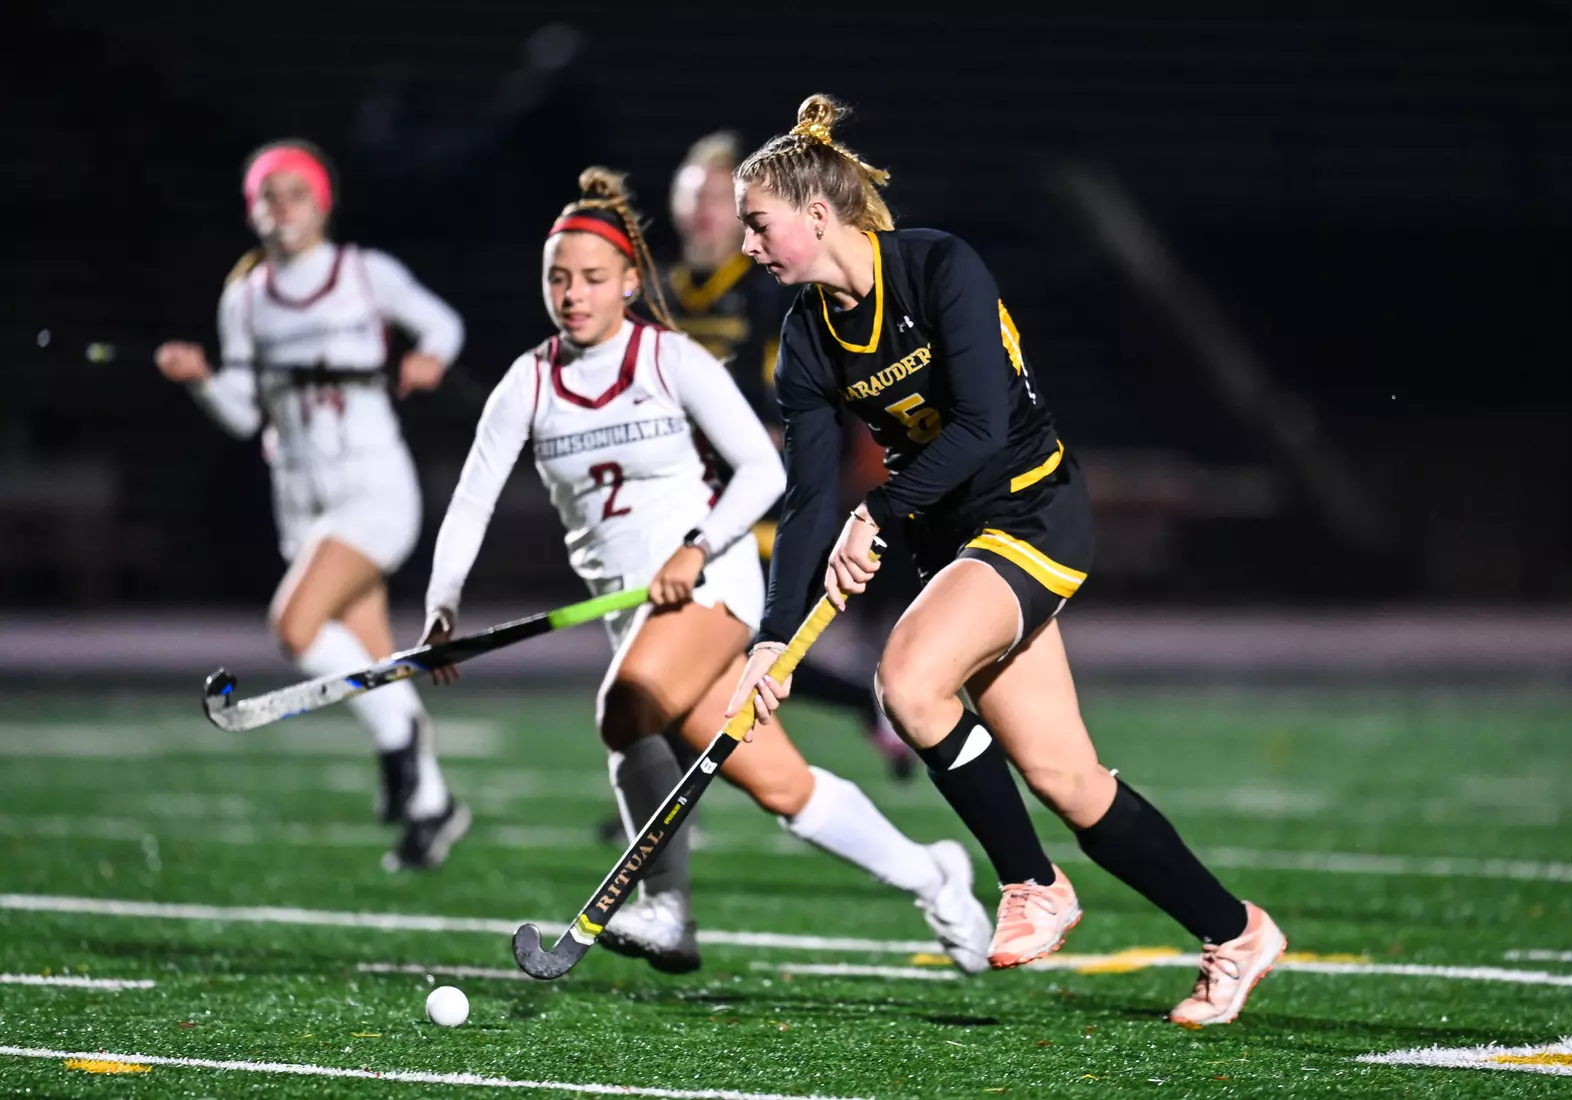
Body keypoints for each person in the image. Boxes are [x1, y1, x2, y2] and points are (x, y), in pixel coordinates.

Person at [726, 96, 1287, 1026]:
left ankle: (1032, 883)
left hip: (1033, 510)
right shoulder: (805, 336)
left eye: (758, 223)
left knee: (907, 683)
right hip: (955, 542)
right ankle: (1236, 933)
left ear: (817, 215)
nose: (748, 246)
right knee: (1070, 781)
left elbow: (984, 426)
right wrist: (771, 639)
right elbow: (807, 501)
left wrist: (883, 509)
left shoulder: (939, 265)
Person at [418, 167, 993, 974]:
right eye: (558, 279)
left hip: (714, 584)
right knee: (784, 788)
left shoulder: (669, 360)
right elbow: (471, 502)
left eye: (591, 278)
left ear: (628, 282)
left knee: (624, 708)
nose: (573, 295)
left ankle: (667, 910)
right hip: (637, 615)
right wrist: (442, 611)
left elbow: (764, 471)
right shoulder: (529, 382)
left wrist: (696, 544)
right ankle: (936, 876)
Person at [154, 139, 469, 872]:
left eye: (296, 193)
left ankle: (399, 745)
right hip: (300, 498)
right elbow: (242, 412)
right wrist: (201, 379)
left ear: (321, 202)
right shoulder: (247, 298)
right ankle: (433, 806)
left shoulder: (364, 274)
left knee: (296, 628)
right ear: (253, 210)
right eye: (269, 196)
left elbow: (442, 325)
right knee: (372, 658)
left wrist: (429, 360)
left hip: (373, 488)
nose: (282, 208)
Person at [664, 131, 913, 780]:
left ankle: (673, 796)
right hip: (693, 502)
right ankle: (864, 705)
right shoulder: (661, 295)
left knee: (736, 648)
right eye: (698, 197)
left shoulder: (772, 289)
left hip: (771, 504)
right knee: (710, 653)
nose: (708, 212)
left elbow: (800, 413)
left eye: (723, 198)